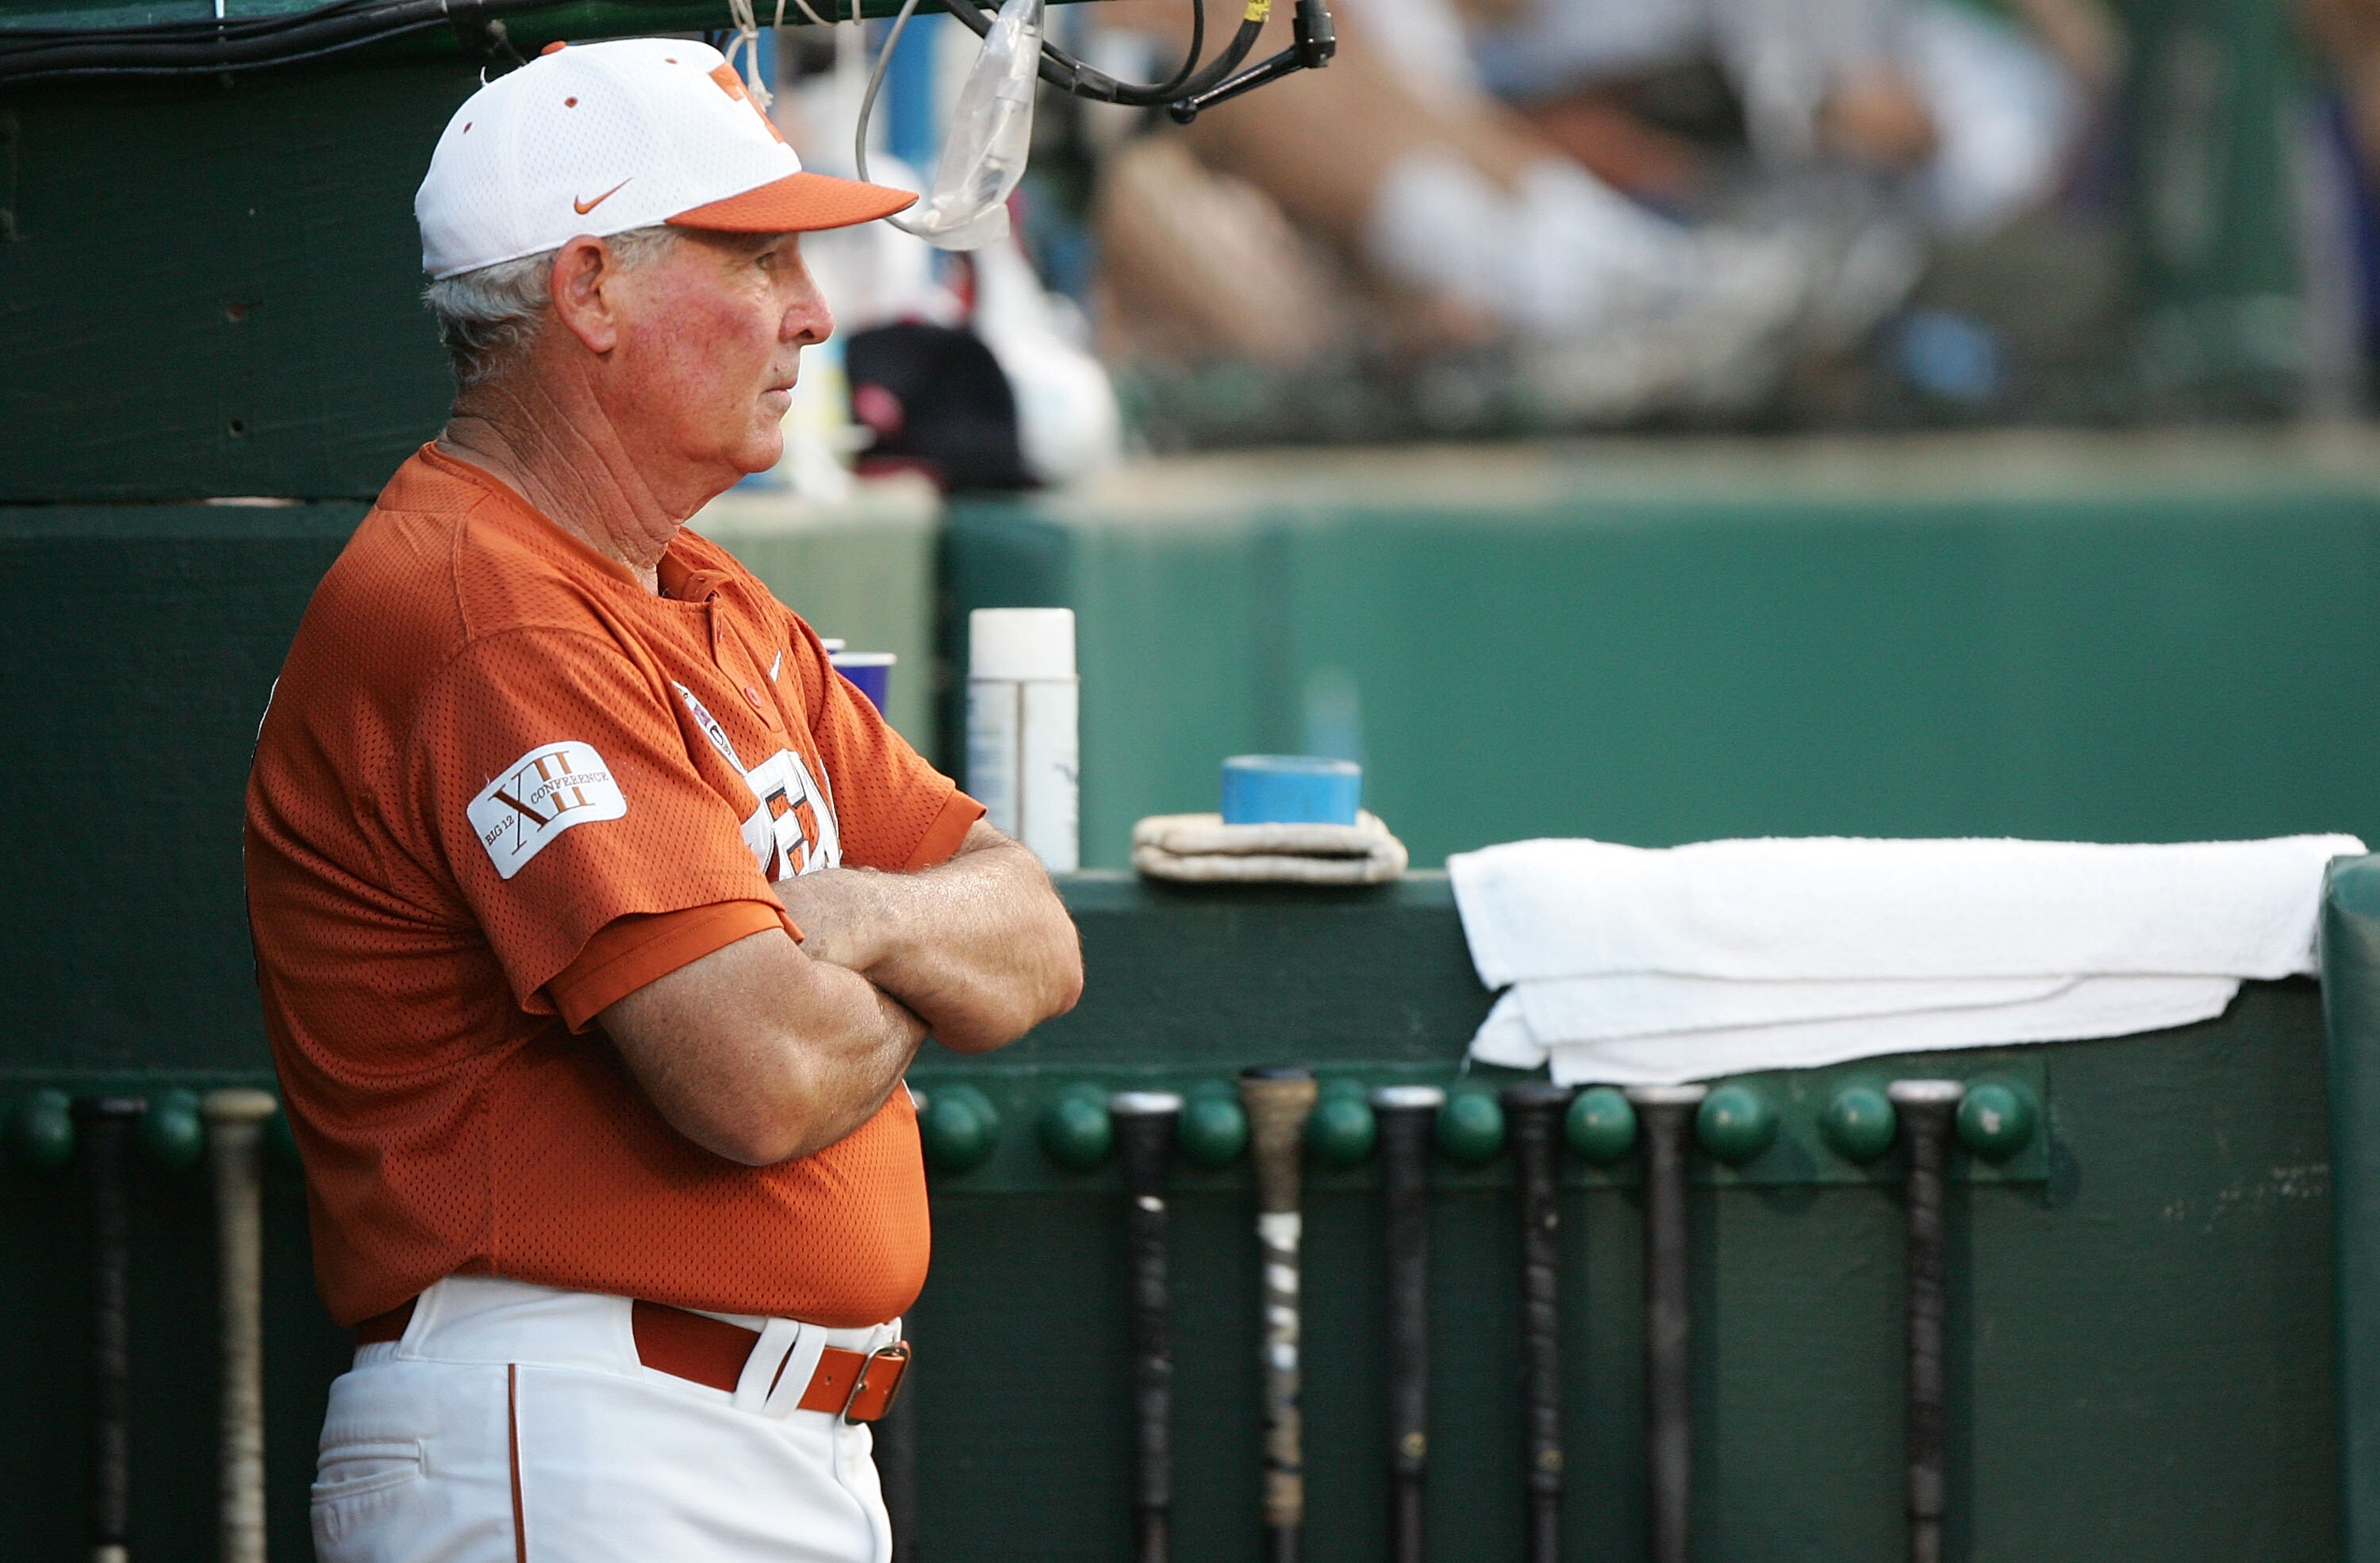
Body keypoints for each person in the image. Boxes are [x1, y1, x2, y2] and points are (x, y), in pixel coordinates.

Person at [243, 36, 1083, 1563]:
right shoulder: (490, 606)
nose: (816, 313)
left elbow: (1035, 932)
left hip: (729, 1439)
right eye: (756, 257)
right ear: (590, 290)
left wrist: (842, 919)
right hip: (577, 1432)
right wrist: (903, 954)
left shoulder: (703, 595)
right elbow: (755, 1068)